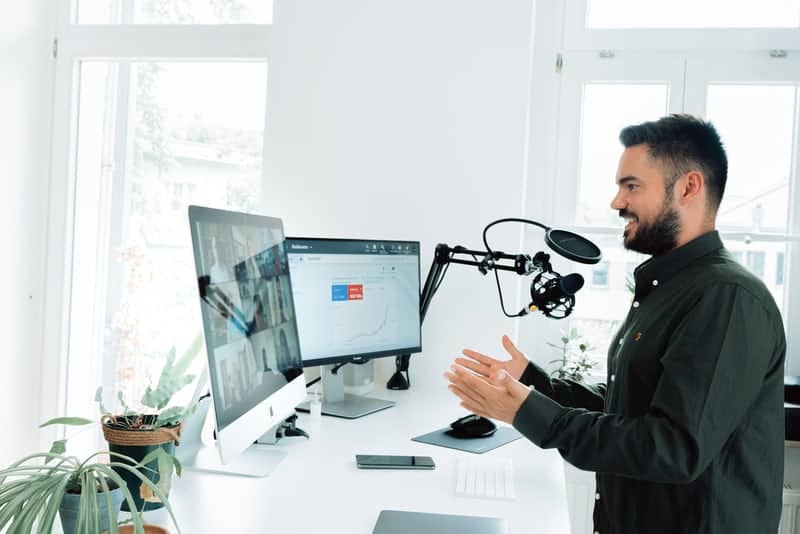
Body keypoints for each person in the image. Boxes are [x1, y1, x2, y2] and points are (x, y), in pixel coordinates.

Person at [445, 114, 785, 534]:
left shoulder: (726, 298)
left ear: (688, 187)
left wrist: (528, 412)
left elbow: (674, 448)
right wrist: (533, 384)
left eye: (632, 186)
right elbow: (628, 401)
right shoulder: (668, 287)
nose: (616, 202)